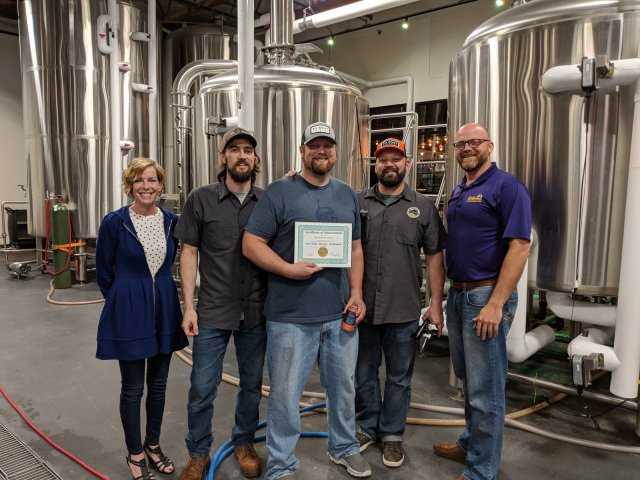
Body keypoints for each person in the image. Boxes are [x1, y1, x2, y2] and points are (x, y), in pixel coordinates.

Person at [242, 122, 372, 480]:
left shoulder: (347, 194)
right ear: (302, 151)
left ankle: (344, 448)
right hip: (290, 318)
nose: (321, 151)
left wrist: (357, 293)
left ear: (335, 152)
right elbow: (251, 243)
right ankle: (282, 464)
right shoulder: (279, 191)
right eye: (314, 145)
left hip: (339, 313)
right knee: (285, 395)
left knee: (344, 388)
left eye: (327, 145)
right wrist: (287, 269)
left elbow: (356, 249)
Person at [432, 123, 531, 480]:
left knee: (486, 388)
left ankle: (481, 469)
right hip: (459, 294)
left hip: (485, 296)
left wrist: (496, 304)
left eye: (474, 142)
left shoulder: (507, 186)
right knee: (469, 381)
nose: (467, 148)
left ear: (490, 145)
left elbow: (520, 247)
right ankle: (471, 443)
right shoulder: (461, 189)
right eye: (460, 144)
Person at [174, 128, 268, 480]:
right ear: (223, 157)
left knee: (250, 385)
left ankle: (244, 442)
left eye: (248, 150)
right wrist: (189, 305)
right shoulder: (201, 198)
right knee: (202, 386)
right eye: (234, 150)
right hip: (213, 308)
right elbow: (189, 252)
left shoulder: (269, 199)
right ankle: (198, 452)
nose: (242, 155)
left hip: (257, 310)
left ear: (255, 159)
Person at [355, 138, 446, 468]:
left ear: (407, 164)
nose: (389, 164)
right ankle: (367, 427)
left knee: (398, 378)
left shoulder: (422, 207)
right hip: (361, 308)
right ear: (375, 165)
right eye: (383, 159)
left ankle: (392, 435)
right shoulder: (357, 201)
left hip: (404, 309)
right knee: (363, 374)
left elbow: (435, 258)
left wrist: (435, 305)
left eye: (396, 159)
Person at [96, 158, 188, 480]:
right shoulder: (115, 222)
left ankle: (153, 444)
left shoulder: (172, 221)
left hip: (164, 305)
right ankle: (135, 454)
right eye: (139, 180)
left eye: (151, 180)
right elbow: (104, 272)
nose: (146, 186)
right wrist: (124, 301)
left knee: (159, 385)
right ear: (130, 185)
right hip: (129, 309)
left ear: (161, 185)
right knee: (133, 387)